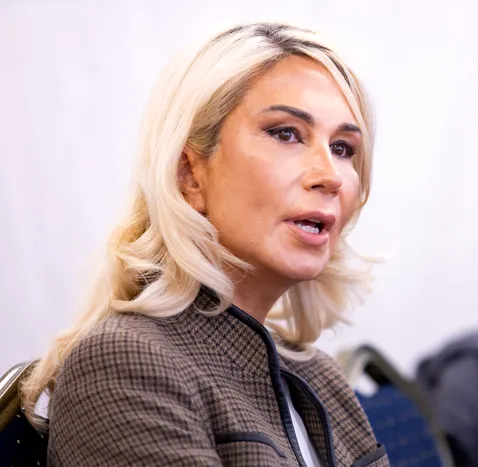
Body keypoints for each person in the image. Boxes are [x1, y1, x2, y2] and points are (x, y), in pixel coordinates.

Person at [20, 22, 388, 467]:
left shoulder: (322, 378)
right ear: (189, 174)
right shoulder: (126, 361)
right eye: (286, 133)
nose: (330, 176)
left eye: (344, 148)